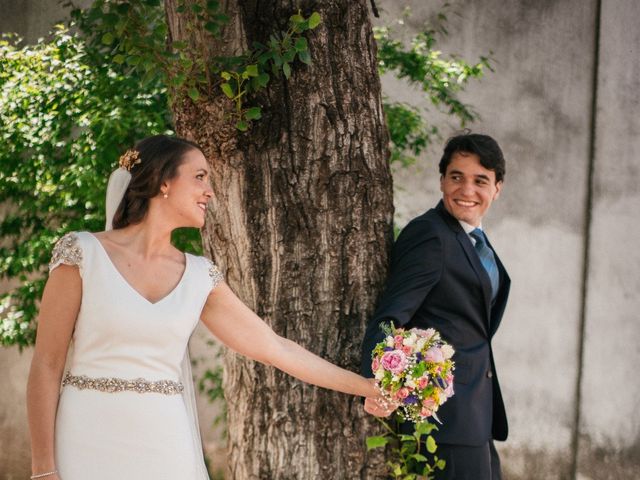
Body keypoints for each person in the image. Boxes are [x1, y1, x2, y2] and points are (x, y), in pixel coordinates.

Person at [27, 135, 384, 480]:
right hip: (84, 439)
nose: (209, 191)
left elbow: (276, 348)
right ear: (164, 182)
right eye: (199, 177)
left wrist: (368, 387)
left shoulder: (200, 277)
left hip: (165, 446)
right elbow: (46, 364)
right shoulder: (81, 253)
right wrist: (43, 467)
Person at [361, 133, 511, 479]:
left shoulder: (474, 240)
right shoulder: (430, 235)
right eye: (456, 177)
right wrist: (376, 386)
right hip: (444, 423)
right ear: (442, 179)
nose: (467, 190)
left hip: (476, 417)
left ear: (497, 188)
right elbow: (388, 318)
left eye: (480, 180)